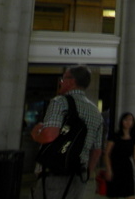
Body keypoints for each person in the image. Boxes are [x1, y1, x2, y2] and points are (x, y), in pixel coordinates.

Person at [30, 65, 104, 199]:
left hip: (55, 174)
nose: (61, 82)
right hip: (78, 177)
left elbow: (49, 135)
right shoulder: (96, 112)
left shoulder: (60, 102)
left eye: (63, 79)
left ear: (71, 81)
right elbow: (97, 150)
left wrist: (35, 133)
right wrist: (86, 174)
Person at [104, 112, 135, 199]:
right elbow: (106, 154)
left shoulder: (134, 137)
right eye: (126, 119)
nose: (128, 122)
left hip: (127, 168)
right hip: (115, 167)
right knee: (114, 195)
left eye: (130, 120)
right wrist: (108, 169)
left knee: (130, 195)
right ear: (121, 121)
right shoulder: (114, 136)